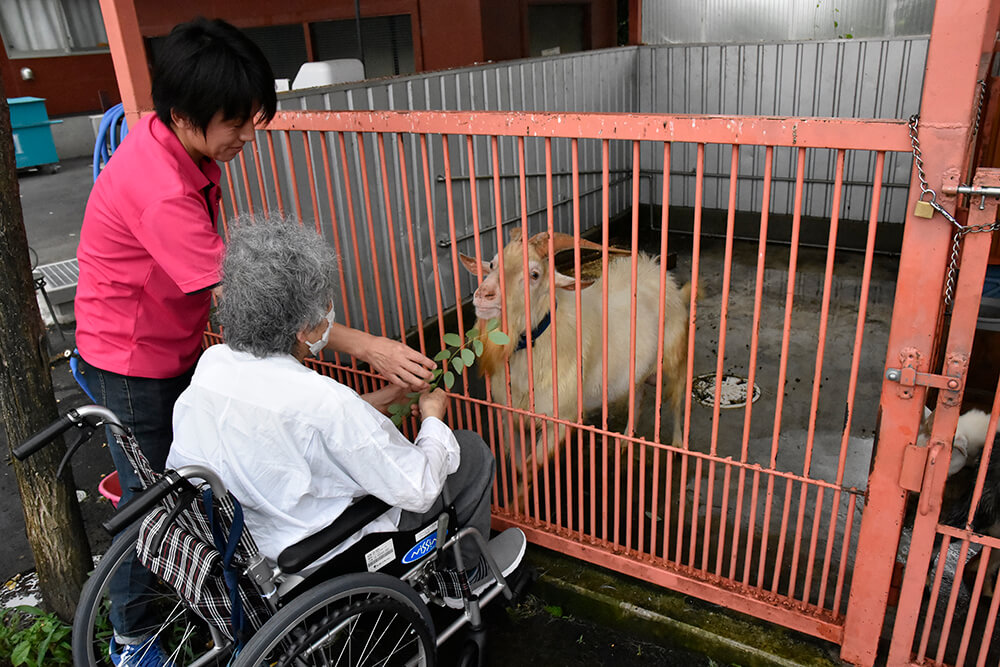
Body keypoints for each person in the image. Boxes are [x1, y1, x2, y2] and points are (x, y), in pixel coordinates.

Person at [73, 18, 432, 665]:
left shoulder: (179, 146)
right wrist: (367, 346)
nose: (248, 135)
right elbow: (244, 295)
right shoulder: (159, 190)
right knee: (153, 505)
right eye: (235, 121)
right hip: (132, 358)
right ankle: (133, 639)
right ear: (184, 115)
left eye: (251, 117)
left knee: (200, 479)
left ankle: (225, 593)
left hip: (173, 340)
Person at [165, 219, 522, 611]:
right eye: (326, 306)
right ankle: (464, 578)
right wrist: (433, 418)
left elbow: (282, 430)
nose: (331, 313)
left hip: (248, 548)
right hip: (322, 557)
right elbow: (417, 489)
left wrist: (372, 402)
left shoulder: (214, 364)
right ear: (303, 328)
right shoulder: (325, 401)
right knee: (468, 451)